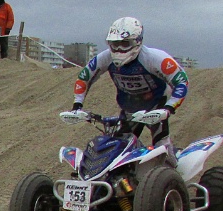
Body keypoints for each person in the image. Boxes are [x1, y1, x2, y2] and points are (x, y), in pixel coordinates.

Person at [70, 16, 189, 150]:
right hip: (129, 107)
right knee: (120, 147)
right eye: (115, 44)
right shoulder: (105, 57)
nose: (119, 49)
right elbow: (84, 77)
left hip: (156, 103)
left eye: (125, 44)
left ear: (137, 41)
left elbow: (182, 81)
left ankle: (171, 167)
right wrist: (77, 105)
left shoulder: (155, 58)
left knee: (162, 147)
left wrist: (169, 108)